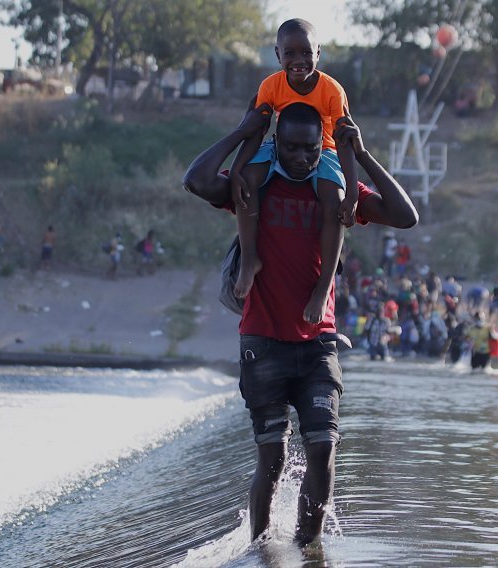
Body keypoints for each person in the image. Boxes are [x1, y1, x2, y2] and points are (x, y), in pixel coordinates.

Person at [182, 99, 417, 546]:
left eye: (311, 149)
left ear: (320, 145)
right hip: (262, 343)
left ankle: (306, 549)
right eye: (291, 148)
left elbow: (405, 216)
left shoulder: (335, 186)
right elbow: (195, 180)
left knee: (324, 449)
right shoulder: (256, 185)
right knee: (270, 460)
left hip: (317, 346)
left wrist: (362, 155)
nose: (302, 158)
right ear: (276, 144)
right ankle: (259, 547)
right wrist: (240, 131)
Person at [228, 19, 358, 328]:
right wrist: (236, 170)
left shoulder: (331, 90)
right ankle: (249, 258)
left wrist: (351, 192)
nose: (298, 61)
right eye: (290, 53)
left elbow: (345, 141)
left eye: (306, 53)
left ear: (318, 53)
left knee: (332, 201)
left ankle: (324, 286)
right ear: (277, 54)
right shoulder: (271, 86)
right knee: (248, 182)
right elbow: (256, 130)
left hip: (322, 150)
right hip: (279, 147)